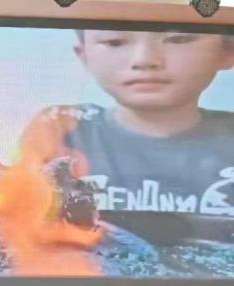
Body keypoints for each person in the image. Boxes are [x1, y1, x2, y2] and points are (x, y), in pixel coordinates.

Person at [21, 30, 234, 216]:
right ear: (84, 55)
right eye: (115, 42)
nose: (145, 60)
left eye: (179, 39)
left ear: (228, 51)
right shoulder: (61, 128)